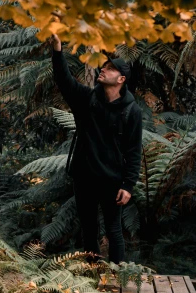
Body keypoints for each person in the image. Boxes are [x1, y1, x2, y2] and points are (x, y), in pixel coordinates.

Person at [50, 33, 142, 264]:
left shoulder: (131, 111)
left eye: (110, 69)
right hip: (84, 177)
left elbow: (133, 151)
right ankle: (92, 279)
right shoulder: (87, 99)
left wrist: (128, 185)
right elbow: (64, 79)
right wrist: (58, 49)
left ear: (121, 79)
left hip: (112, 181)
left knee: (114, 231)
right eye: (104, 66)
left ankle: (119, 280)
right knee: (89, 230)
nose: (103, 70)